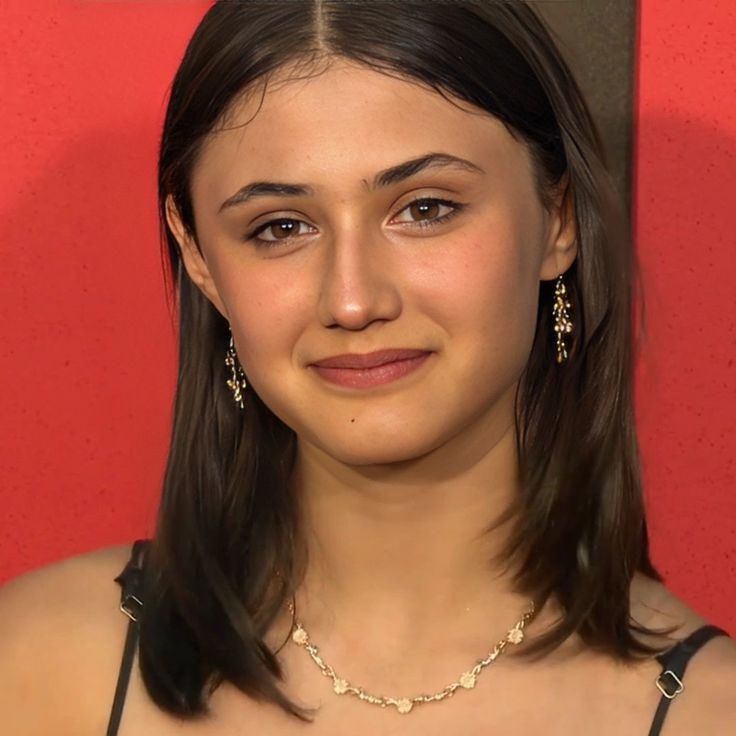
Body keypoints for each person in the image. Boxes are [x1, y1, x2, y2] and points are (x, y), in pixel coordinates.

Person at [1, 1, 734, 734]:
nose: (352, 300)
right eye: (281, 227)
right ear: (198, 257)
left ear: (559, 218)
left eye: (425, 209)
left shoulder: (708, 711)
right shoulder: (36, 666)